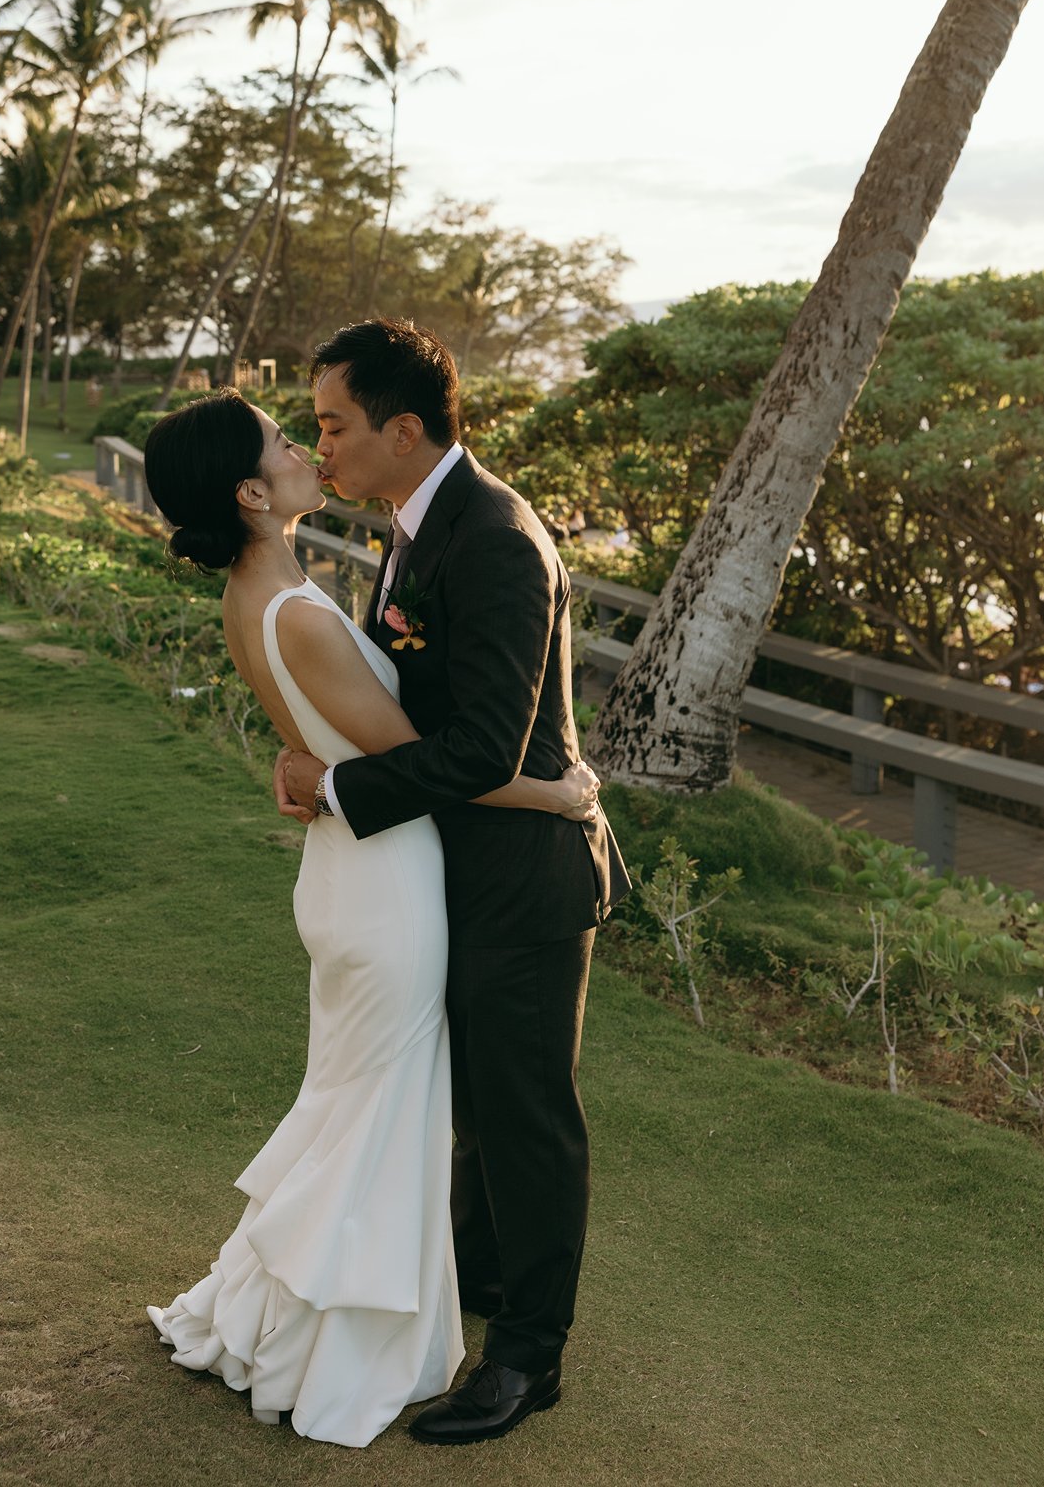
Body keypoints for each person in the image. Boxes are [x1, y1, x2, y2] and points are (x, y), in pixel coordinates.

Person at [140, 389, 600, 1449]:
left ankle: (316, 1297)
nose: (309, 447)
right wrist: (560, 793)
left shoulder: (263, 594)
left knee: (357, 1101)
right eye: (285, 441)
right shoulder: (298, 610)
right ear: (251, 493)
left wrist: (313, 768)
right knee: (376, 1110)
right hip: (386, 885)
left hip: (353, 872)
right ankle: (332, 1335)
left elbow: (351, 744)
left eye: (318, 426)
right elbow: (426, 762)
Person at [278, 319, 631, 1446]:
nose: (319, 443)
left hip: (524, 877)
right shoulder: (414, 522)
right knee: (478, 1106)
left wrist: (335, 788)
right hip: (460, 861)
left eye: (333, 425)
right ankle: (480, 1279)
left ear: (406, 427)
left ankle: (529, 1356)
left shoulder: (494, 540)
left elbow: (485, 745)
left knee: (524, 1118)